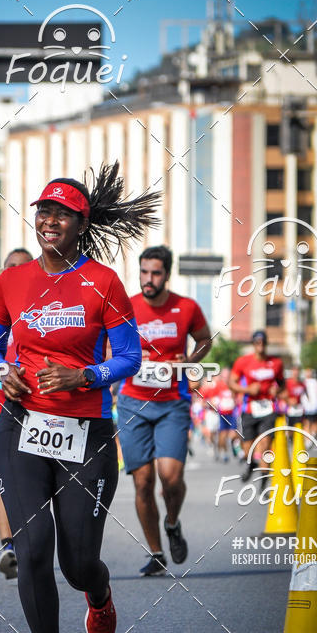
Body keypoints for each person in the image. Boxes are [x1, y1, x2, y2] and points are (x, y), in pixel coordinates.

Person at [0, 162, 157, 633]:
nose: (49, 220)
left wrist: (85, 375)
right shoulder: (12, 281)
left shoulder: (104, 282)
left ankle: (98, 594)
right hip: (20, 424)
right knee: (33, 548)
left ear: (82, 224)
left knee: (77, 563)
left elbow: (129, 357)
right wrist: (1, 370)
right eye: (43, 212)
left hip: (86, 429)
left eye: (62, 213)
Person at [116, 246, 211, 576]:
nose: (149, 279)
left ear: (167, 275)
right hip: (133, 402)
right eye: (144, 272)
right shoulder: (127, 306)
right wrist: (125, 358)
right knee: (143, 482)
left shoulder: (186, 307)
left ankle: (172, 523)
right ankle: (156, 553)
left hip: (172, 402)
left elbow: (204, 339)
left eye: (155, 273)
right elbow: (108, 346)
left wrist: (189, 361)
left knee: (171, 478)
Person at [0, 247, 33, 580]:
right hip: (0, 407)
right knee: (4, 478)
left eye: (22, 267)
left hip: (39, 407)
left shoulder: (47, 306)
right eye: (9, 267)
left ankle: (33, 541)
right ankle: (8, 547)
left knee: (34, 482)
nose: (14, 272)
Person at [229, 330, 285, 483]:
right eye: (257, 342)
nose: (260, 345)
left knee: (265, 444)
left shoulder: (276, 363)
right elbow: (232, 383)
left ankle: (264, 483)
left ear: (266, 343)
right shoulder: (243, 362)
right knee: (248, 448)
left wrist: (277, 390)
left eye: (263, 342)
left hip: (268, 408)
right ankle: (251, 464)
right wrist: (247, 390)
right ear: (253, 344)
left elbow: (282, 383)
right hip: (249, 408)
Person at [301, 368, 317, 438]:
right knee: (313, 423)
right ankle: (312, 436)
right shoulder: (315, 381)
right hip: (313, 406)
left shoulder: (304, 382)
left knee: (307, 423)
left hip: (308, 406)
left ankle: (309, 439)